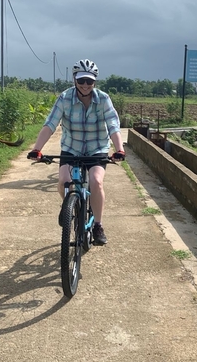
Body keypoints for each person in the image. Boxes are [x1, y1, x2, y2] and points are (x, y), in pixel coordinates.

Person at [27, 59, 125, 245]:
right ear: (74, 80)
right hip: (71, 147)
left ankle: (97, 225)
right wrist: (37, 149)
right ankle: (68, 208)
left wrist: (119, 149)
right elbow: (50, 124)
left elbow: (113, 125)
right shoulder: (65, 98)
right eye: (81, 81)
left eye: (89, 81)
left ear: (94, 81)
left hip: (96, 148)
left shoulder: (103, 99)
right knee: (64, 181)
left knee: (96, 181)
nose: (85, 85)